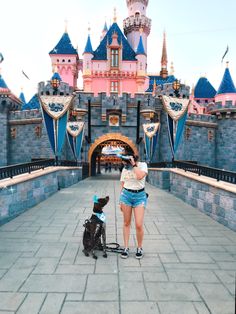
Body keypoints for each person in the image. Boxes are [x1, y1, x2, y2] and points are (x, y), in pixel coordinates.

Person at [119, 154, 148, 259]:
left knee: (139, 224)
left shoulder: (142, 165)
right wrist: (120, 201)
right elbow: (122, 184)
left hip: (140, 196)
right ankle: (126, 247)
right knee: (126, 223)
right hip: (126, 196)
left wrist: (134, 165)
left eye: (126, 161)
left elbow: (140, 176)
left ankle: (139, 247)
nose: (124, 163)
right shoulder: (125, 168)